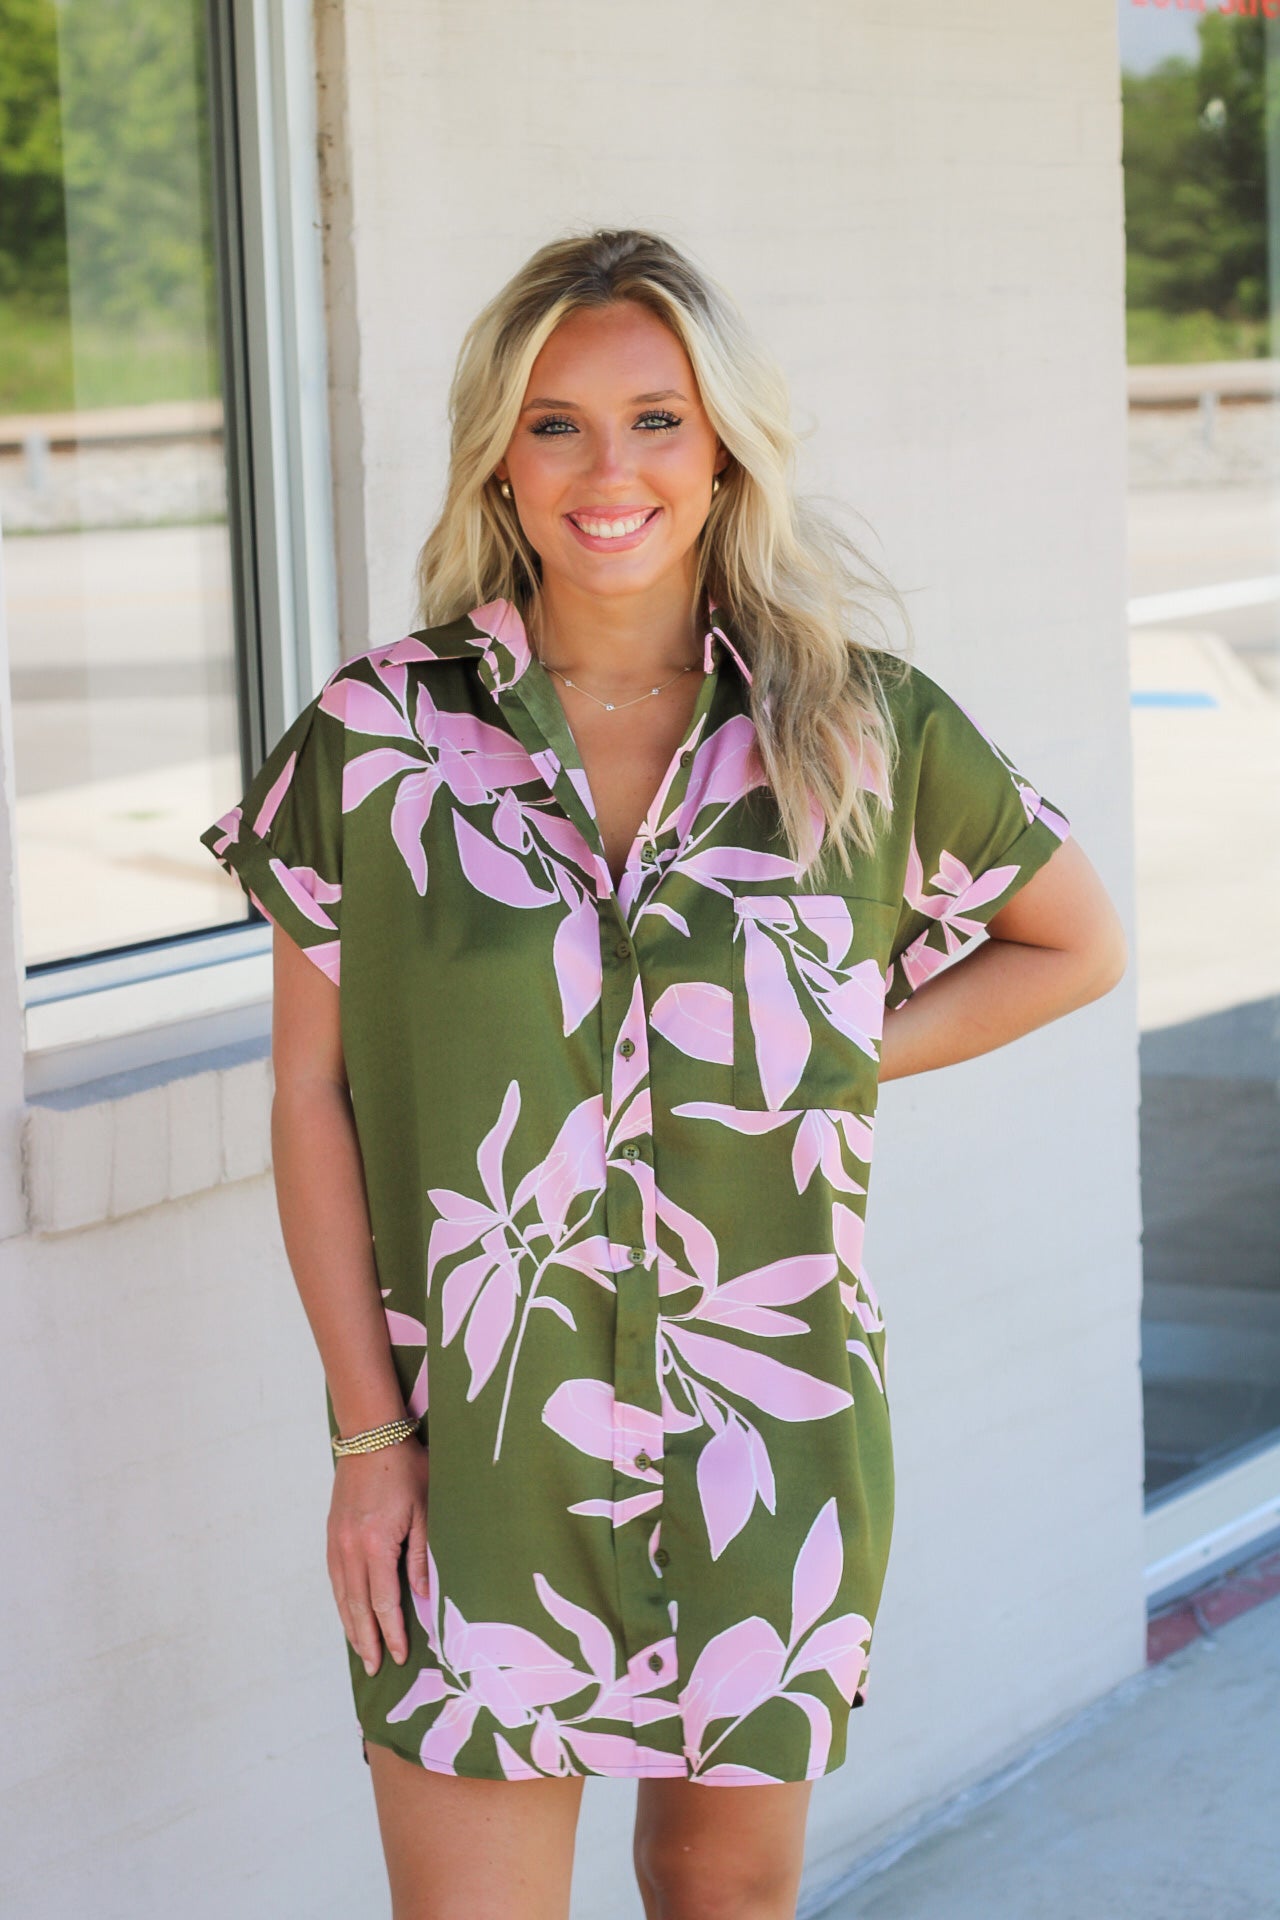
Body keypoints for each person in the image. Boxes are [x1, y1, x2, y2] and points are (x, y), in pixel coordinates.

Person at [200, 227, 1126, 1920]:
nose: (607, 471)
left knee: (725, 1902)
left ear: (725, 452)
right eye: (555, 423)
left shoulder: (857, 728)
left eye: (657, 421)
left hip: (767, 1436)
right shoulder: (378, 741)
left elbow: (1077, 942)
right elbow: (311, 1101)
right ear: (498, 452)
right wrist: (367, 1438)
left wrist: (830, 1050)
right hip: (478, 1455)